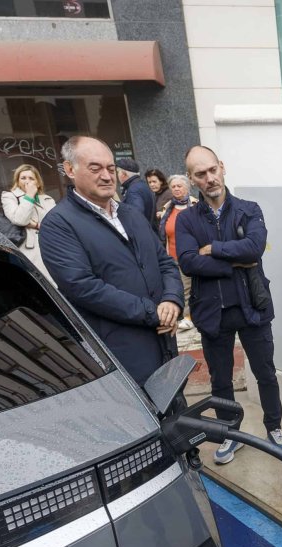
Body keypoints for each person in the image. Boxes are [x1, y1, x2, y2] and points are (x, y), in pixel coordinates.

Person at [38, 136, 184, 385]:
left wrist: (171, 301)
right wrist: (152, 312)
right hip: (120, 354)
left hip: (164, 343)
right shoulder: (59, 224)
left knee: (173, 412)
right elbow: (82, 287)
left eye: (111, 168)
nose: (107, 176)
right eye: (95, 168)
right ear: (70, 169)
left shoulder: (130, 214)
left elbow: (165, 263)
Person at [175, 145, 282, 463]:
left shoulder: (249, 209)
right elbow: (187, 262)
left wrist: (213, 249)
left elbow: (254, 248)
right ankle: (229, 433)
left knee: (265, 372)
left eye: (212, 170)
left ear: (221, 167)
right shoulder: (186, 220)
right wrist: (232, 262)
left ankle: (274, 427)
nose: (209, 178)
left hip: (252, 306)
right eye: (201, 174)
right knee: (220, 379)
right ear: (191, 178)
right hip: (213, 313)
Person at [1, 164, 56, 283]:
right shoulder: (9, 196)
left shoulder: (47, 199)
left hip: (51, 245)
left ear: (38, 182)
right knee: (41, 283)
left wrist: (36, 224)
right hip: (30, 248)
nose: (27, 181)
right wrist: (29, 195)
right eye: (23, 178)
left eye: (31, 178)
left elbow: (55, 224)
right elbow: (20, 220)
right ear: (17, 181)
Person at [156, 174, 198, 330]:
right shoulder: (168, 207)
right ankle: (186, 315)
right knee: (181, 287)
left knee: (190, 287)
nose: (176, 189)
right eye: (173, 186)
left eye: (179, 186)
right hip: (172, 255)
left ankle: (189, 316)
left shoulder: (195, 205)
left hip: (192, 254)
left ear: (187, 187)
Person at [117, 157, 156, 224]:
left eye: (118, 172)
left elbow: (136, 217)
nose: (117, 175)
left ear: (123, 174)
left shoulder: (133, 190)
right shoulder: (142, 185)